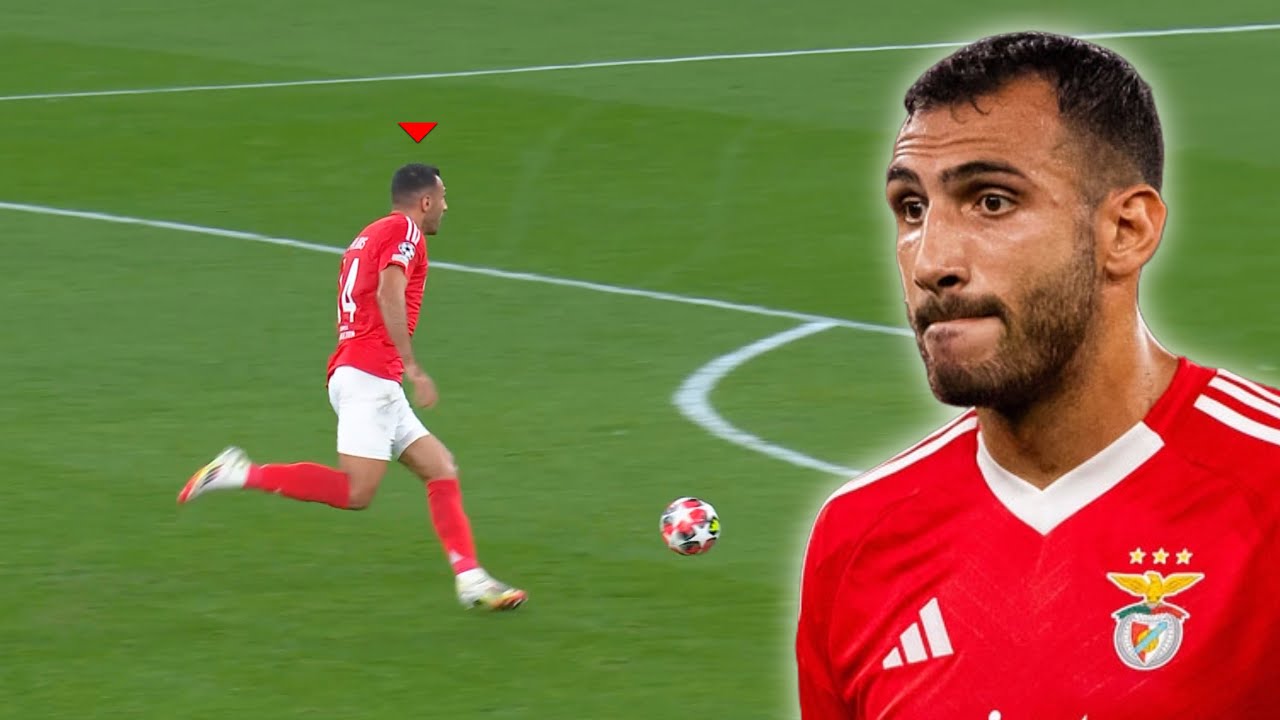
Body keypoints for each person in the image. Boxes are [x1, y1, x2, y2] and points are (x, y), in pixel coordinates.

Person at [796, 31, 1279, 718]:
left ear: (1127, 231)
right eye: (912, 208)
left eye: (991, 202)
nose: (931, 262)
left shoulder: (1266, 491)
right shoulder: (857, 538)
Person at [178, 163, 527, 612]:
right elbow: (387, 293)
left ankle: (471, 579)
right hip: (370, 376)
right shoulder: (405, 231)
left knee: (440, 468)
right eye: (442, 197)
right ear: (424, 201)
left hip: (365, 373)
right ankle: (240, 472)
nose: (445, 206)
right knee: (356, 492)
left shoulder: (367, 235)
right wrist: (412, 365)